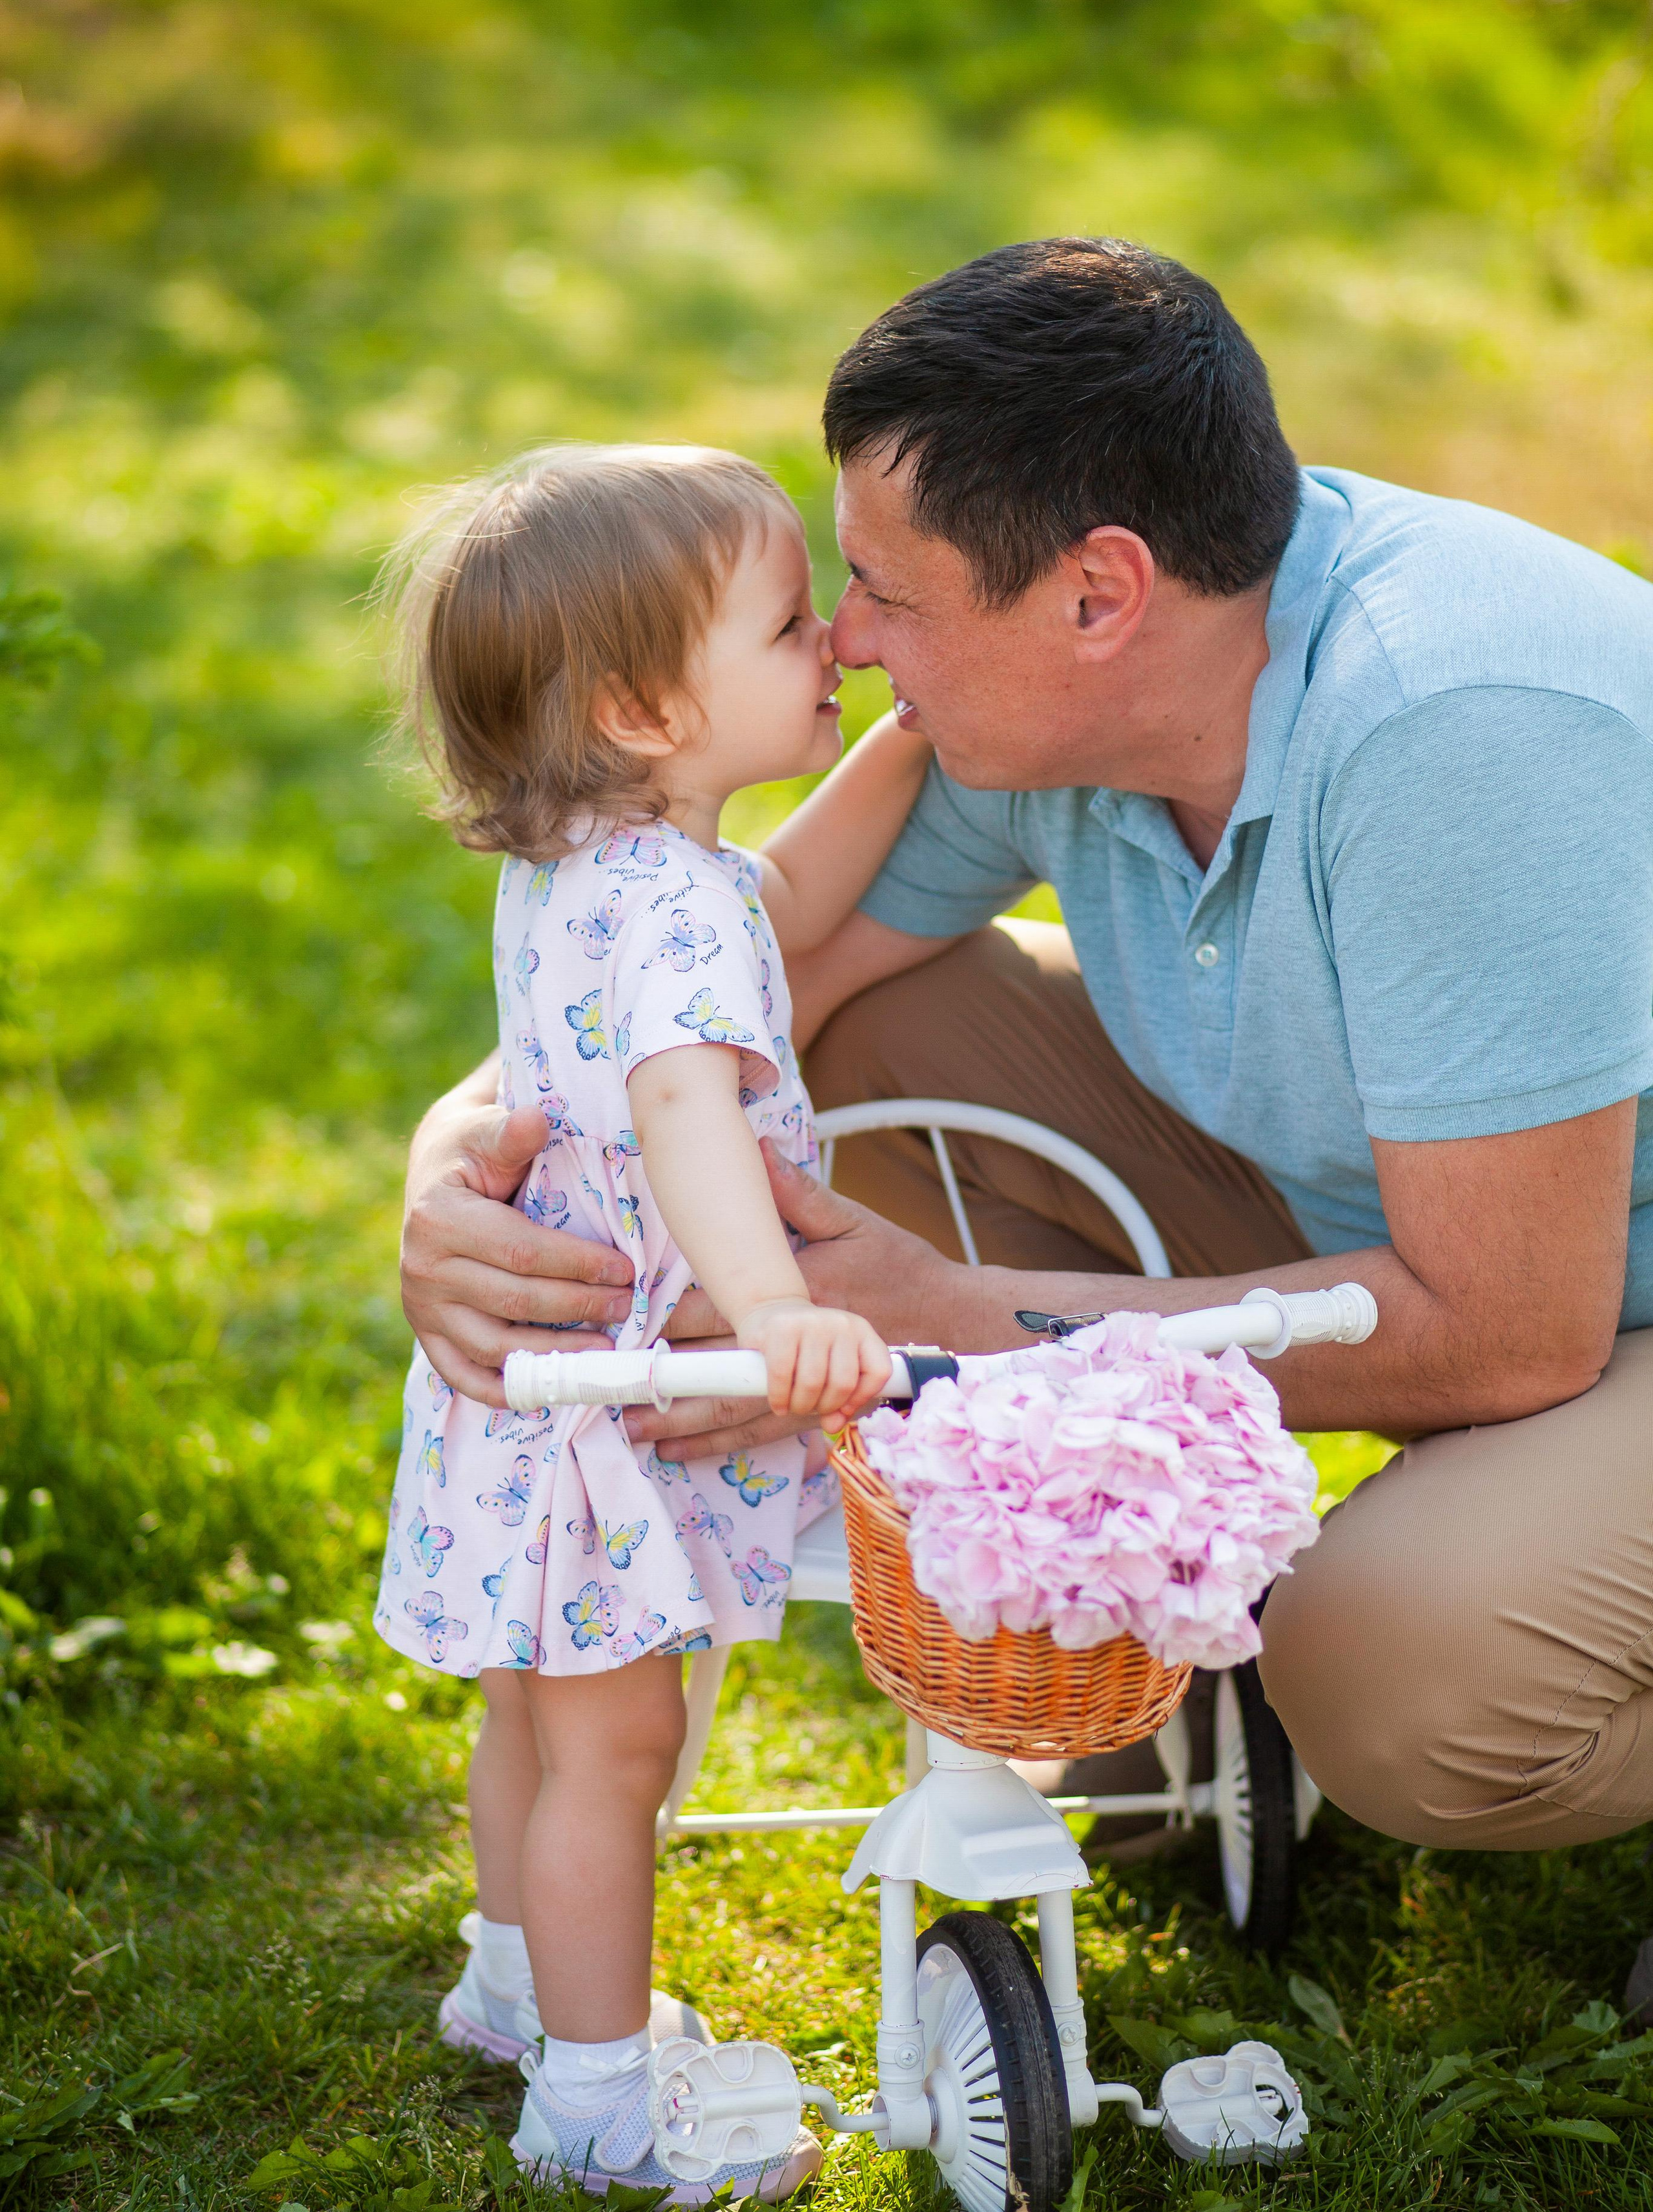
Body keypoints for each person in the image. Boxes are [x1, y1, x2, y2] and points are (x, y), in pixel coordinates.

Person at [400, 243, 1653, 1981]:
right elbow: (736, 975)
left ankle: (1315, 1627)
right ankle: (1179, 1630)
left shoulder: (1455, 732)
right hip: (1403, 1209)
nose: (844, 640)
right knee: (853, 1038)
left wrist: (968, 1328)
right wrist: (458, 1164)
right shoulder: (1057, 709)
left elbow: (1516, 1333)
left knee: (1400, 1673)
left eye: (884, 595)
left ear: (1097, 594)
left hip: (1576, 1301)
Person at [375, 442, 929, 2200]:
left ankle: (513, 1981)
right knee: (620, 1753)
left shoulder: (591, 867)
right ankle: (599, 2112)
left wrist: (914, 731)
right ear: (639, 706)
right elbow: (691, 1112)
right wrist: (776, 1313)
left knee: (534, 1718)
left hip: (529, 1392)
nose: (831, 640)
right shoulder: (678, 905)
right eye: (788, 626)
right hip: (623, 1386)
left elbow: (797, 899)